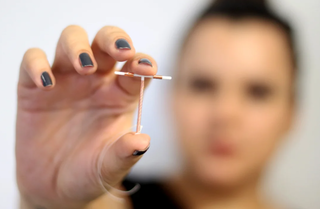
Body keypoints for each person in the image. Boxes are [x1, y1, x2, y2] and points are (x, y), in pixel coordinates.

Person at [16, 0, 298, 208]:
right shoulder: (109, 199)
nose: (225, 113)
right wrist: (46, 203)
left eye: (258, 92)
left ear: (292, 113)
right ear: (172, 97)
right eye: (202, 85)